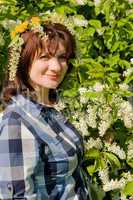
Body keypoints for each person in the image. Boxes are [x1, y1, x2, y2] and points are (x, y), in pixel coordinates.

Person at [0, 16, 91, 200]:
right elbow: (17, 197)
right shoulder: (16, 122)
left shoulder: (54, 106)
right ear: (23, 61)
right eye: (45, 57)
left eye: (62, 57)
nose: (56, 67)